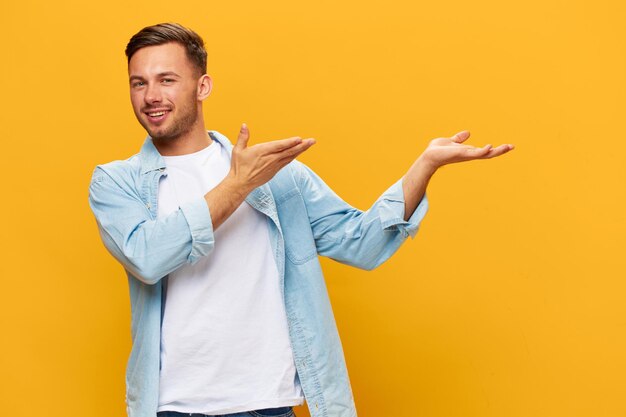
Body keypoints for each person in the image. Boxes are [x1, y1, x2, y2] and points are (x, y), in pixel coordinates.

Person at [88, 22, 514, 417]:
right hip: (174, 406)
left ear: (203, 86)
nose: (151, 97)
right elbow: (147, 256)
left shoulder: (276, 176)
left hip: (268, 404)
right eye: (138, 83)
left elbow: (361, 243)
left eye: (167, 80)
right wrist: (237, 185)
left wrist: (423, 167)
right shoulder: (117, 183)